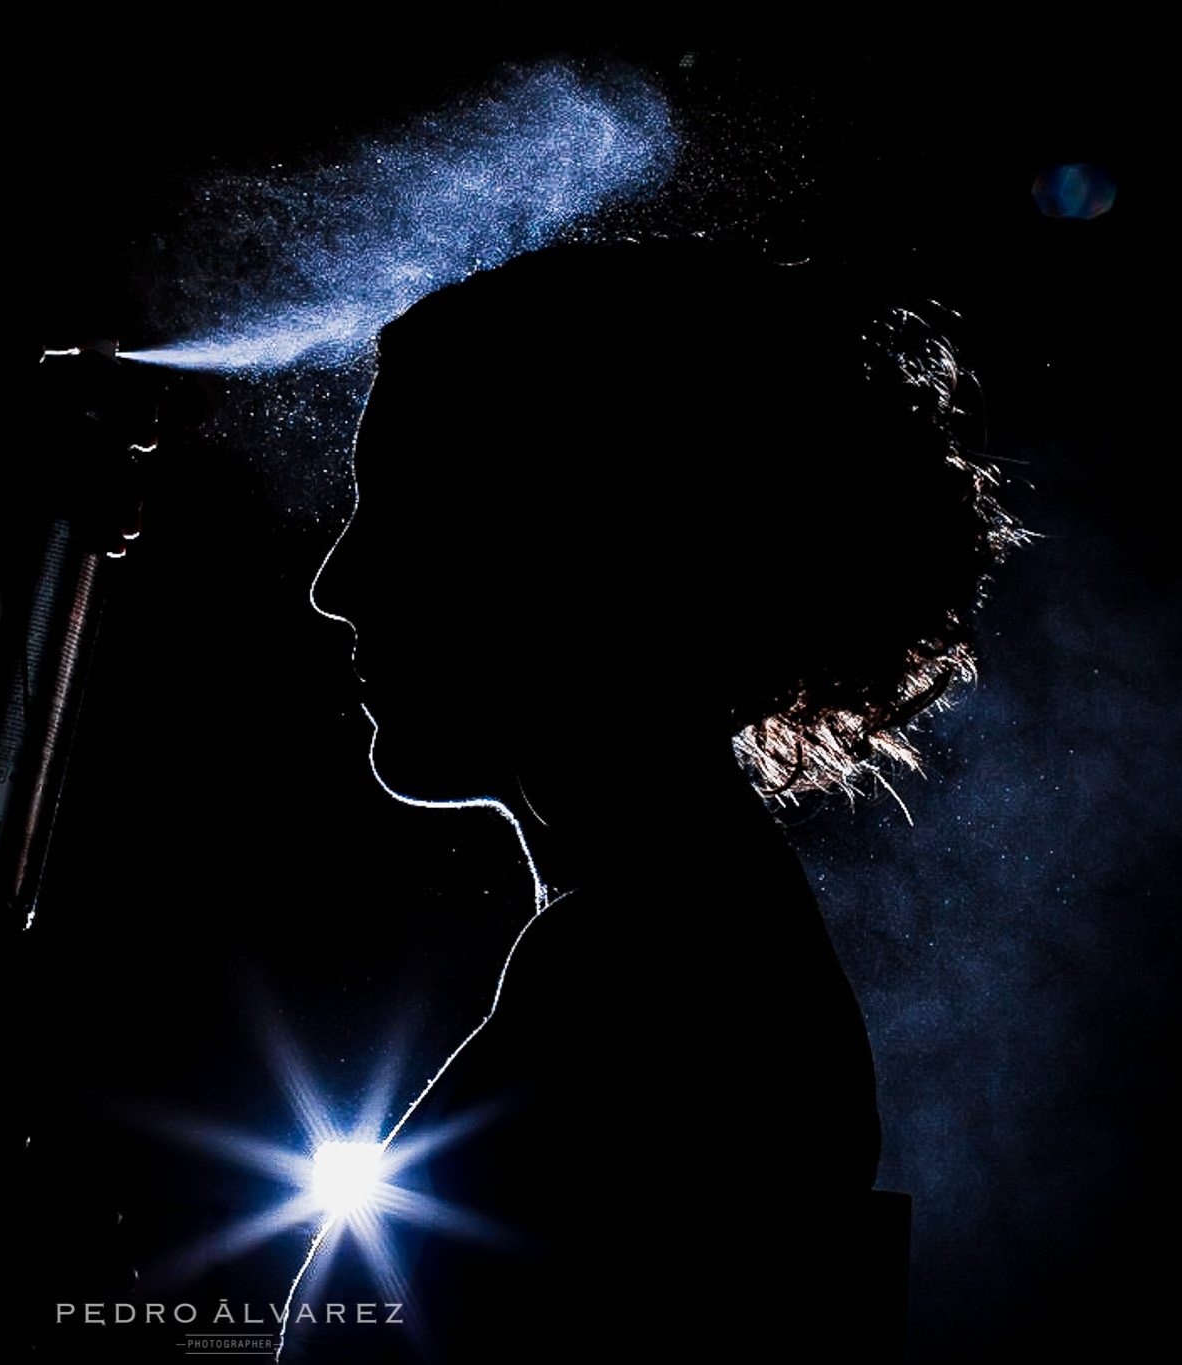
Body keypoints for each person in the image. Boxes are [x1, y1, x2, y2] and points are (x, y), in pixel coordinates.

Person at [291, 242, 1027, 1359]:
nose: (333, 585)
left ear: (581, 551)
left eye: (407, 510)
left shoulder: (650, 983)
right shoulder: (687, 949)